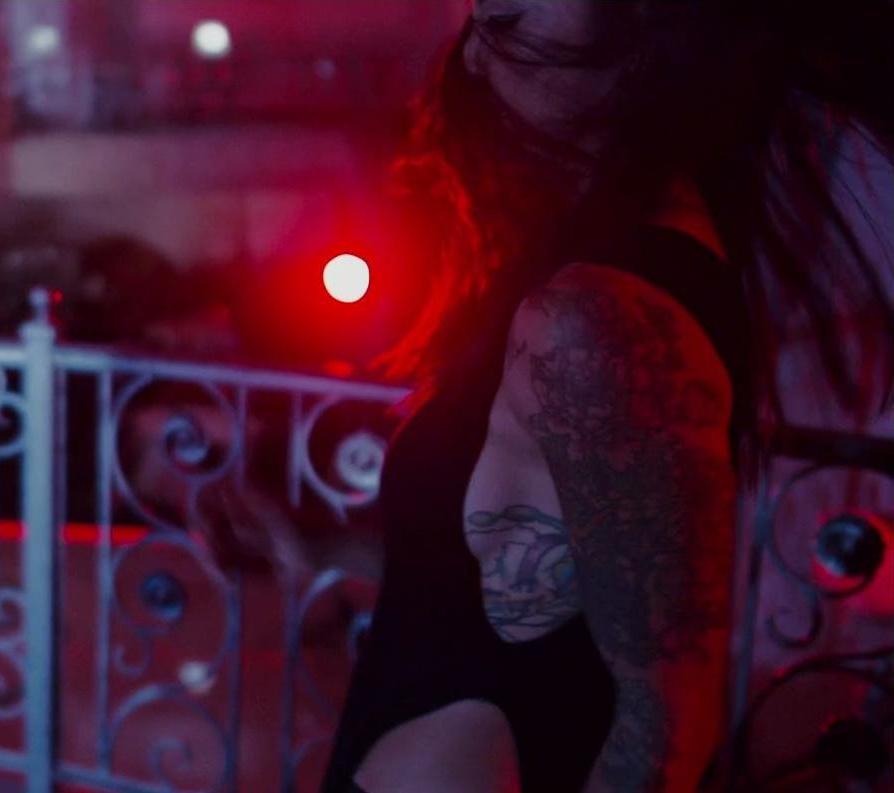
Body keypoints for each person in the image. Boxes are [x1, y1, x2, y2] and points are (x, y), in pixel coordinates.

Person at [311, 2, 894, 792]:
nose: (474, 52)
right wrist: (309, 552)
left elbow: (662, 737)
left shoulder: (602, 317)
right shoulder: (589, 279)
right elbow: (494, 585)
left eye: (508, 13)